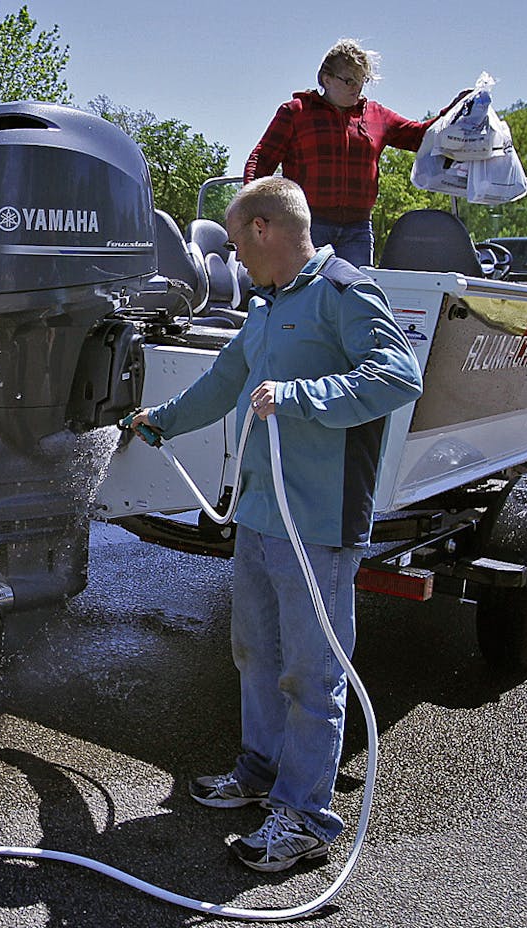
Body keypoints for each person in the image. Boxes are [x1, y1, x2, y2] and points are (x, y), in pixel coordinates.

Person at [128, 177, 422, 872]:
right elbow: (223, 382)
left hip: (316, 523)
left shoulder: (343, 292)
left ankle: (308, 817)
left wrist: (301, 395)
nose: (233, 259)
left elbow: (398, 375)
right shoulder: (265, 307)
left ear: (264, 228)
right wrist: (159, 421)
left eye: (235, 243)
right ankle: (258, 773)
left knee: (311, 673)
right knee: (255, 655)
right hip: (260, 516)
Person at [244, 38, 463, 267]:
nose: (356, 88)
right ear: (326, 79)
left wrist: (454, 112)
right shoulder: (296, 112)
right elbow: (263, 157)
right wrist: (251, 208)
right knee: (306, 296)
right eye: (349, 80)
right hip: (306, 225)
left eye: (361, 81)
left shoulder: (377, 115)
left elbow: (420, 136)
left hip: (357, 229)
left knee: (355, 296)